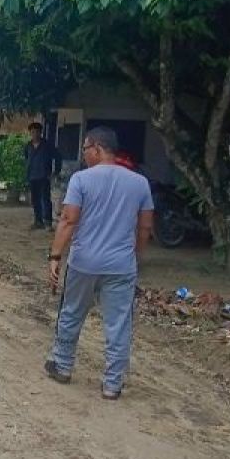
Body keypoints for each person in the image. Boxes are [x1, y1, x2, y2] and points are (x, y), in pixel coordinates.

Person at [44, 126, 154, 400]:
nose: (84, 154)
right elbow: (145, 227)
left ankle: (62, 365)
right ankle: (112, 385)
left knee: (71, 313)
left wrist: (55, 256)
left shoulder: (80, 180)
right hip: (121, 265)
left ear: (96, 147)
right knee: (118, 324)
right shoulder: (139, 183)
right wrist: (137, 257)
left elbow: (69, 220)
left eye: (84, 149)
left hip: (84, 263)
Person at [25, 122, 62, 230]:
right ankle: (38, 221)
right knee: (35, 200)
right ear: (30, 133)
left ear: (40, 133)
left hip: (44, 176)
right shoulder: (28, 146)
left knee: (45, 199)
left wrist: (55, 172)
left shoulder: (47, 145)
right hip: (32, 176)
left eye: (37, 132)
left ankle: (48, 222)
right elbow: (26, 159)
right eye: (32, 132)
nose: (34, 134)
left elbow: (58, 157)